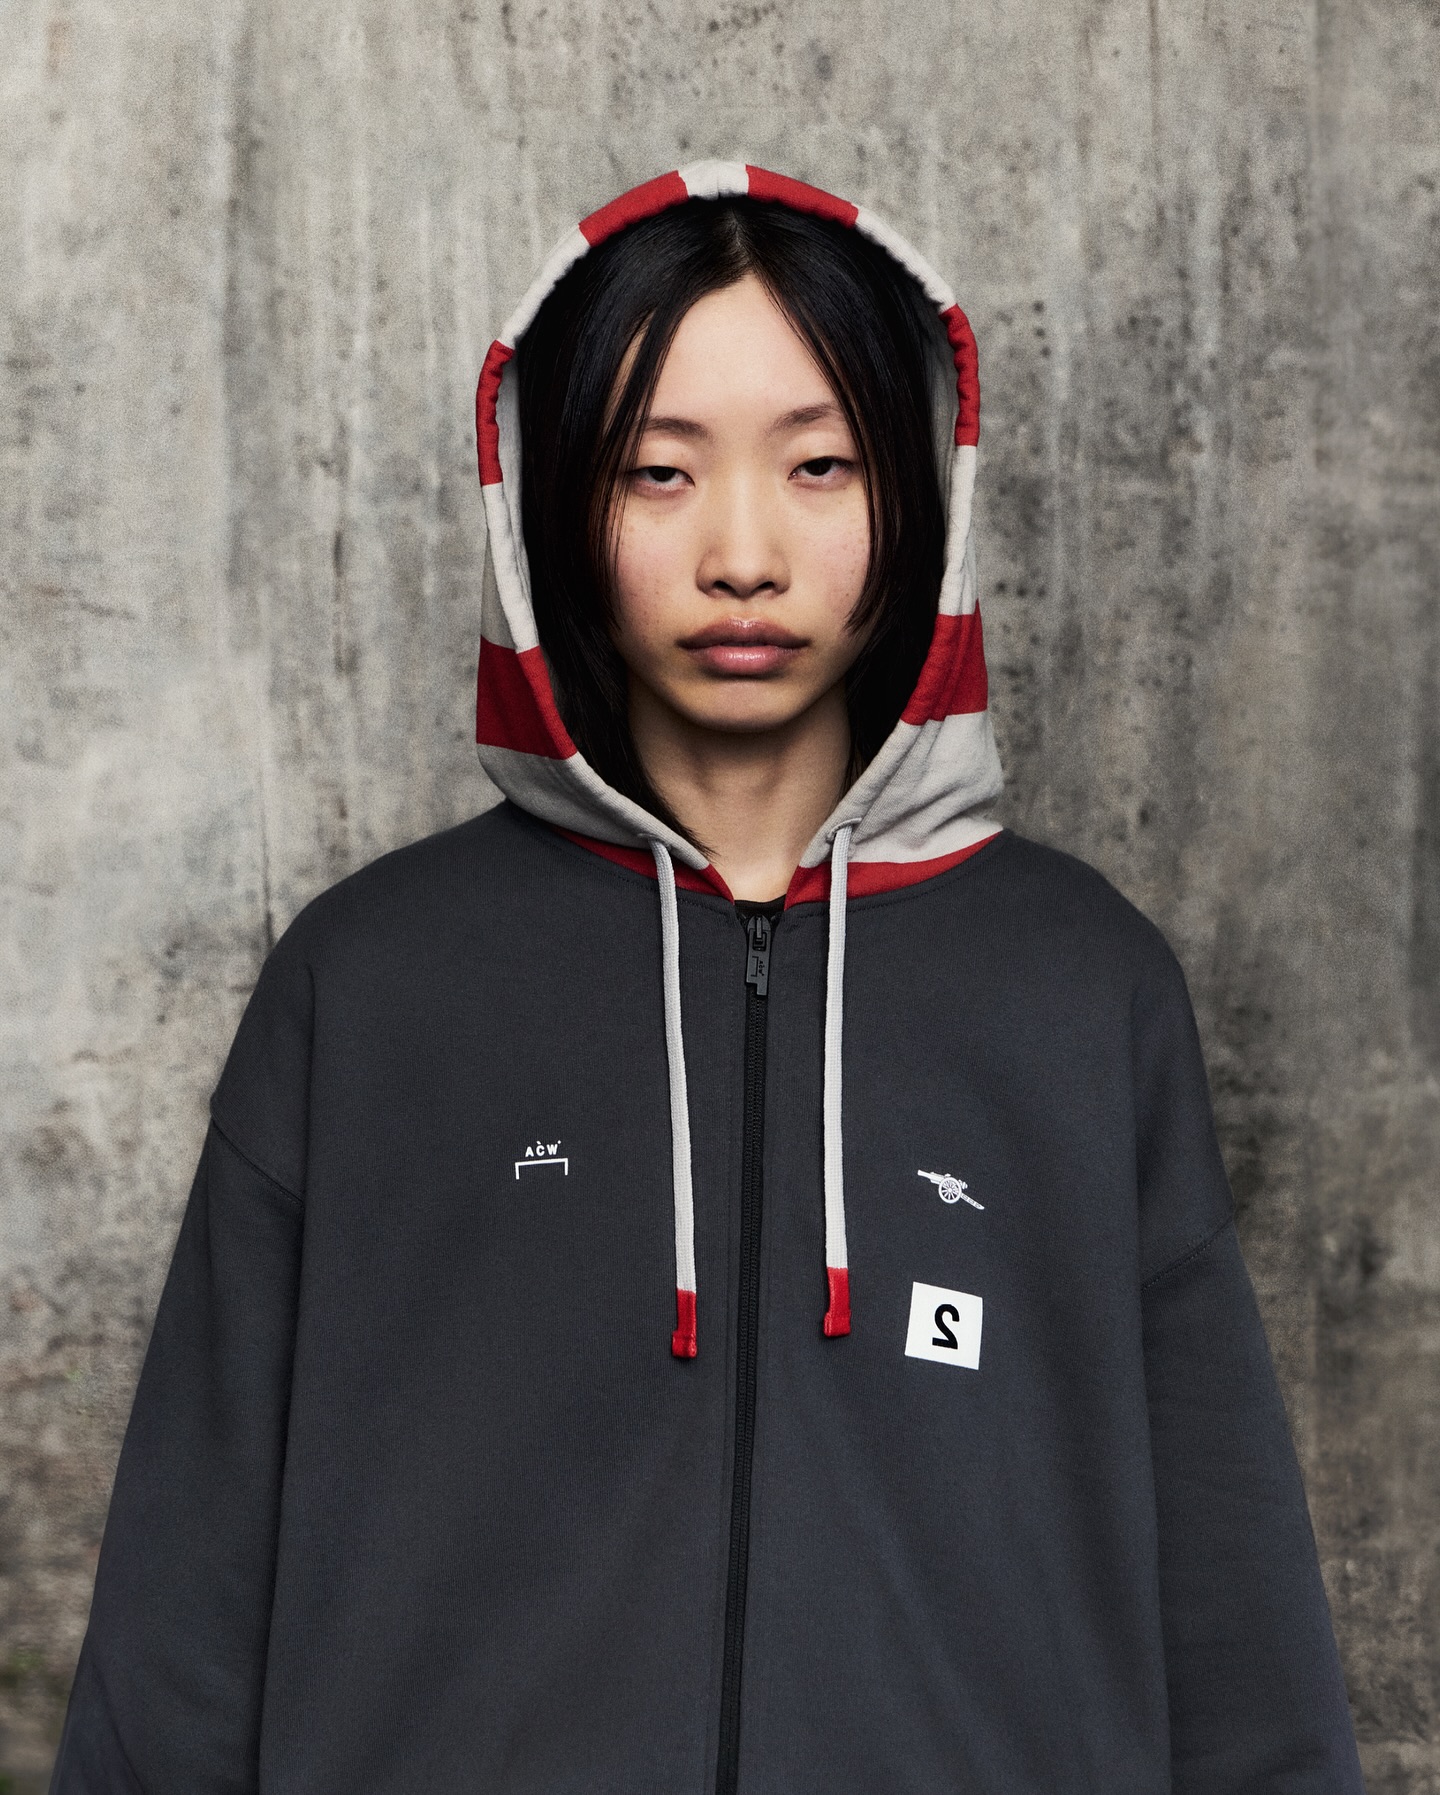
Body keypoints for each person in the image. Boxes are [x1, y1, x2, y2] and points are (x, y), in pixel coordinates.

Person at [50, 163, 1364, 1794]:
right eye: (657, 473)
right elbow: (180, 1629)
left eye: (820, 466)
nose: (745, 554)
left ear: (922, 496)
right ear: (547, 504)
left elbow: (1237, 1626)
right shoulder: (371, 986)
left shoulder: (1083, 992)